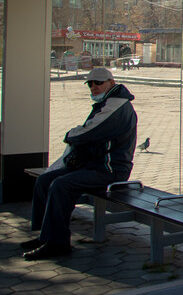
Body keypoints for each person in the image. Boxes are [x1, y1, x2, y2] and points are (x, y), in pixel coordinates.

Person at [22, 67, 137, 261]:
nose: (94, 87)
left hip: (110, 170)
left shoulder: (117, 105)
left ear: (111, 81)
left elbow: (90, 132)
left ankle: (57, 243)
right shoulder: (107, 102)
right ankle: (46, 236)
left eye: (98, 83)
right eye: (90, 84)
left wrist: (70, 134)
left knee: (61, 185)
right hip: (93, 166)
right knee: (44, 180)